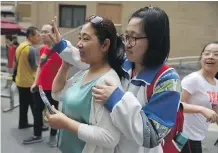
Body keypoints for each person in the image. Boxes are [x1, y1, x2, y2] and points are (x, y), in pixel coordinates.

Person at [49, 6, 182, 153]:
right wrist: (61, 45)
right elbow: (90, 58)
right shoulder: (125, 63)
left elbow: (152, 135)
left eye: (134, 37)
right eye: (126, 36)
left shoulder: (167, 81)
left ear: (155, 40)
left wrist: (117, 99)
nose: (127, 44)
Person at [46, 15, 124, 153]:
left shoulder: (107, 82)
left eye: (86, 38)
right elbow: (57, 94)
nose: (79, 44)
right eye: (79, 37)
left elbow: (109, 137)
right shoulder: (85, 72)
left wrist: (65, 123)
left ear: (105, 45)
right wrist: (64, 67)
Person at [23, 24, 62, 146]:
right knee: (37, 111)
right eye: (42, 32)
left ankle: (53, 136)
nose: (43, 34)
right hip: (40, 88)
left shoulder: (60, 51)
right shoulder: (42, 49)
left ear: (53, 33)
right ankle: (37, 134)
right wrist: (35, 82)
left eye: (46, 32)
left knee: (53, 113)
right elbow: (40, 66)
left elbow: (64, 70)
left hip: (53, 89)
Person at [180, 42, 218, 153]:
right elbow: (177, 104)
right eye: (207, 53)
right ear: (201, 57)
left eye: (216, 54)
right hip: (184, 137)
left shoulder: (216, 84)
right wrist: (201, 109)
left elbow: (215, 108)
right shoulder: (193, 79)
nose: (211, 56)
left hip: (197, 137)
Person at [14, 26, 41, 129]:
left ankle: (23, 123)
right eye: (37, 35)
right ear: (31, 36)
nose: (39, 38)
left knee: (23, 105)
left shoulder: (20, 46)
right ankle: (39, 126)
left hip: (20, 80)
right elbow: (35, 67)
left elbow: (16, 62)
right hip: (29, 82)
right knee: (35, 106)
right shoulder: (31, 49)